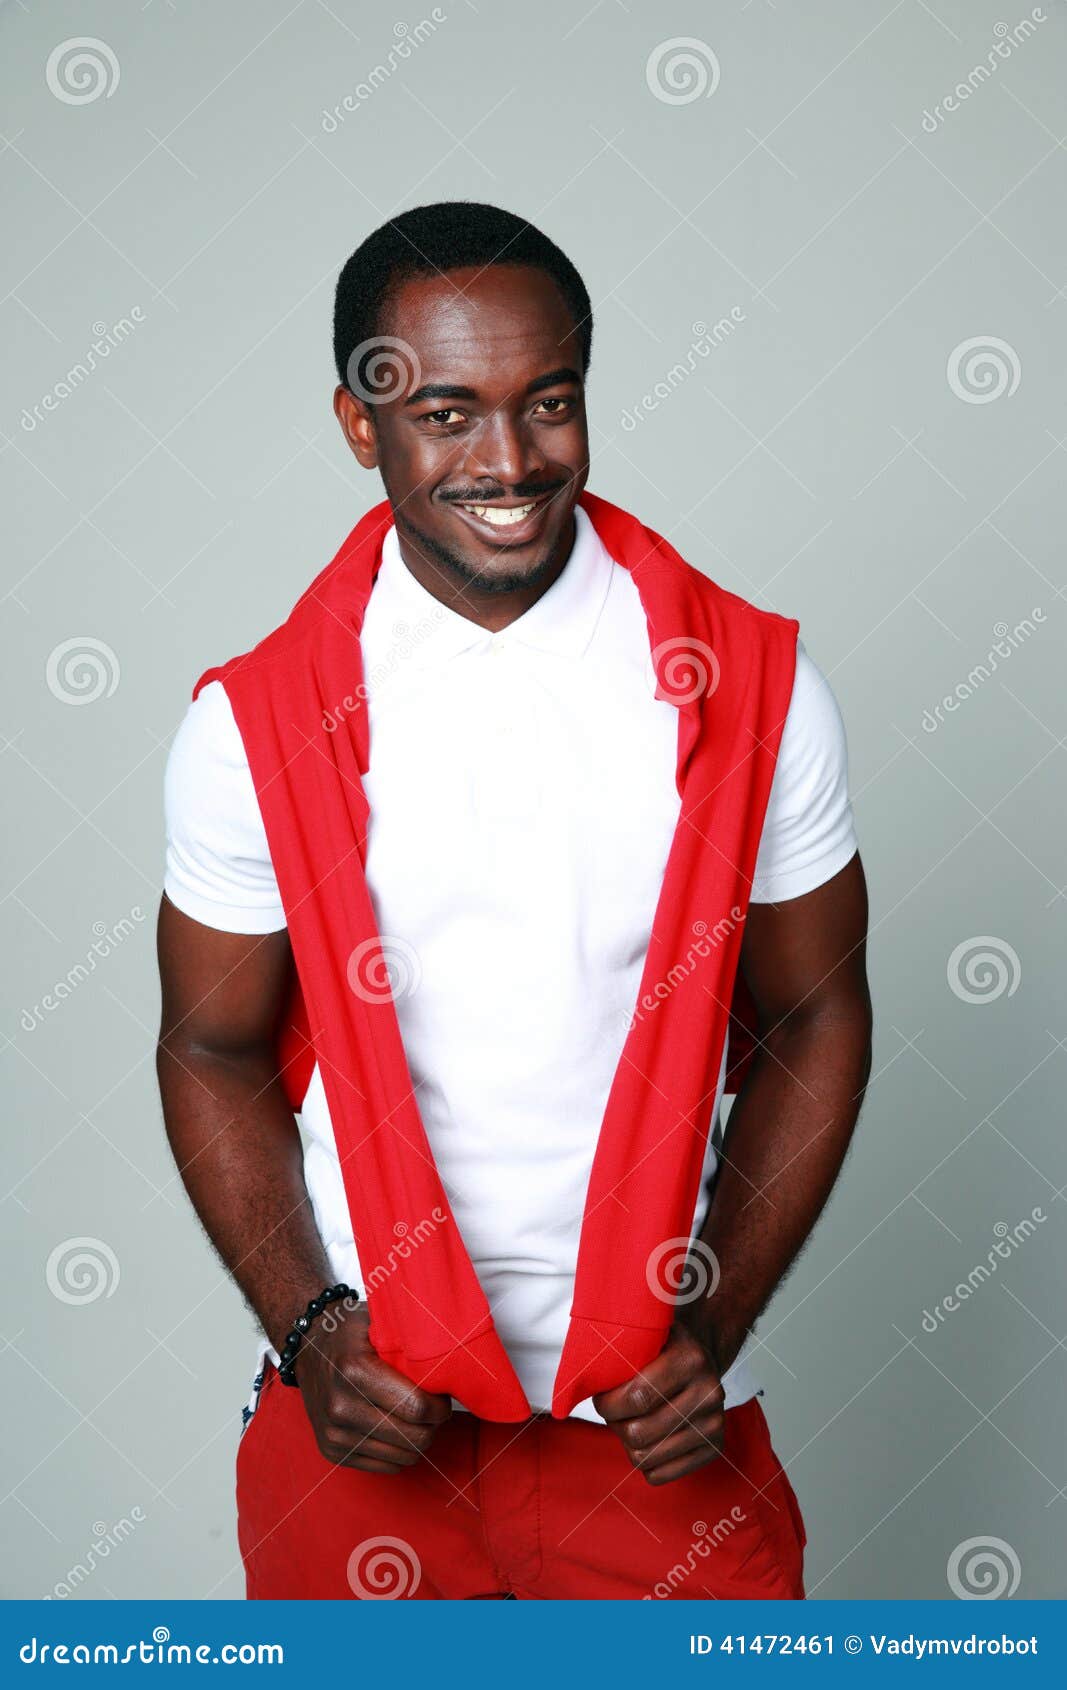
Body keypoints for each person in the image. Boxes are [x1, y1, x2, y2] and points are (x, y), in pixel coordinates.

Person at [156, 200, 872, 1602]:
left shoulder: (754, 689)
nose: (507, 460)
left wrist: (713, 1317)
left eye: (547, 403)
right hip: (368, 1434)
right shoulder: (256, 723)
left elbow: (813, 1013)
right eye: (445, 412)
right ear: (361, 425)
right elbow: (210, 1047)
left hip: (658, 1437)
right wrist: (310, 1332)